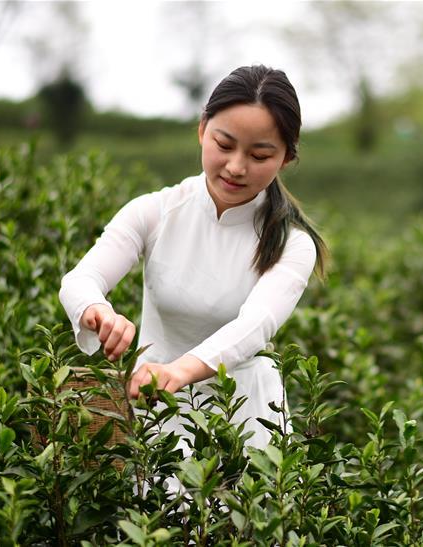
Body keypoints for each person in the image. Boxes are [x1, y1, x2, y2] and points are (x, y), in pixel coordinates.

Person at [58, 65, 328, 452]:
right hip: (159, 411)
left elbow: (254, 327)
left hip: (247, 418)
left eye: (259, 154)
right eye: (224, 144)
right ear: (202, 130)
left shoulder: (293, 244)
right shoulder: (155, 211)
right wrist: (97, 311)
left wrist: (178, 371)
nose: (236, 166)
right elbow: (80, 280)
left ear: (285, 158)